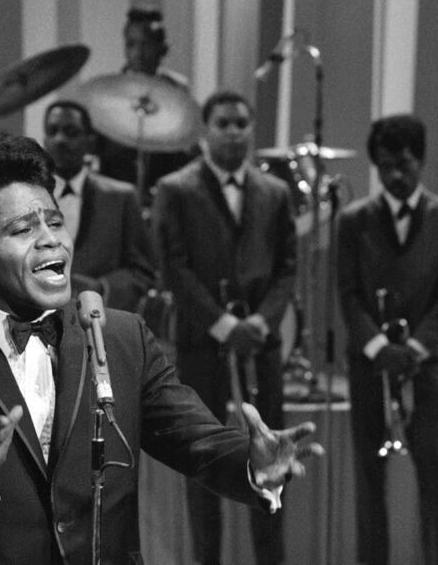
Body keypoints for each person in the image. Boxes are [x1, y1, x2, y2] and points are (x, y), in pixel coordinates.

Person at [0, 133, 322, 565]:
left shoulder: (123, 337)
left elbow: (197, 440)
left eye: (54, 222)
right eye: (23, 229)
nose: (51, 239)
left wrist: (253, 462)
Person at [153, 90, 298, 565]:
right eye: (223, 123)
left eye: (241, 123)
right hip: (202, 346)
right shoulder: (175, 188)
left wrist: (260, 321)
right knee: (205, 465)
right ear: (204, 131)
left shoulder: (275, 192)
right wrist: (223, 324)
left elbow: (287, 267)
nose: (234, 132)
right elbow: (173, 267)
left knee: (273, 463)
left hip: (260, 347)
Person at [336, 114, 438, 565]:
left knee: (433, 473)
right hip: (369, 365)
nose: (395, 175)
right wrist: (378, 348)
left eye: (404, 164)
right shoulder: (353, 220)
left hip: (423, 366)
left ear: (421, 161)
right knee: (369, 477)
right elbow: (347, 293)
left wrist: (414, 349)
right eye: (386, 166)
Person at [42, 99, 157, 312]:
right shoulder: (27, 197)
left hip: (100, 319)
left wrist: (102, 288)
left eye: (71, 132)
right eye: (52, 131)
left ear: (90, 142)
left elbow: (143, 271)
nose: (60, 140)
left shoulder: (121, 198)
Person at [94, 6, 195, 205]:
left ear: (163, 48)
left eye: (146, 44)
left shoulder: (178, 90)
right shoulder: (109, 91)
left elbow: (186, 148)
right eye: (131, 44)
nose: (138, 53)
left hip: (166, 196)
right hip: (117, 195)